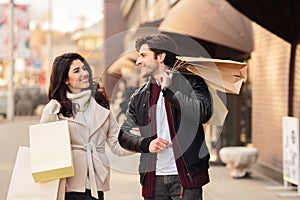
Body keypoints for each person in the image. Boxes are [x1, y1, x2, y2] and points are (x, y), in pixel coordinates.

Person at [118, 33, 213, 200]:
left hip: (186, 177)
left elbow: (203, 112)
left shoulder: (191, 83)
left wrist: (170, 91)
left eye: (143, 55)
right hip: (153, 179)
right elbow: (124, 135)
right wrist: (146, 143)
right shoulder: (139, 96)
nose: (138, 61)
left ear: (160, 56)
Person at [40, 52, 132, 200]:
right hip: (68, 185)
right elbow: (44, 148)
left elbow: (116, 145)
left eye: (84, 68)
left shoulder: (101, 106)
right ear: (65, 79)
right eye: (77, 71)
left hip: (96, 183)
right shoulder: (55, 109)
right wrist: (50, 114)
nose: (84, 73)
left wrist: (143, 144)